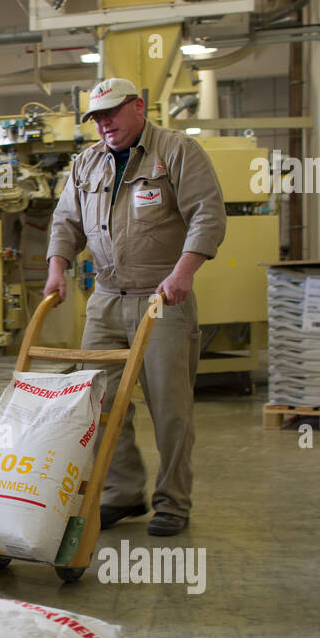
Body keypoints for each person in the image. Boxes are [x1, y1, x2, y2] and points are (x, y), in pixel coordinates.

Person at [44, 78, 226, 536]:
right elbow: (66, 220)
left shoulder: (178, 151)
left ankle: (174, 503)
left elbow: (208, 213)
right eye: (96, 118)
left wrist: (183, 273)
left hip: (162, 297)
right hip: (105, 298)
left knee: (170, 407)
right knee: (100, 404)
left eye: (111, 113)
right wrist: (57, 269)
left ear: (139, 107)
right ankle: (122, 493)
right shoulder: (87, 162)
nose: (104, 124)